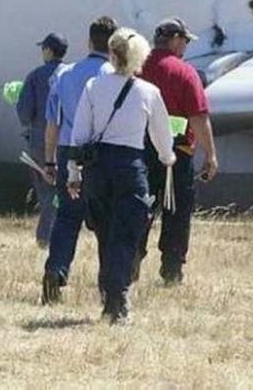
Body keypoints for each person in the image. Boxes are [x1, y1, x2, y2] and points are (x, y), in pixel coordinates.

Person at [69, 28, 175, 323]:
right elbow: (162, 137)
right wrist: (168, 158)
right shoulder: (148, 92)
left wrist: (73, 172)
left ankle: (109, 295)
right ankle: (119, 296)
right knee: (127, 233)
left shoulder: (93, 86)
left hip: (97, 168)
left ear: (112, 55)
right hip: (130, 166)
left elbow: (80, 135)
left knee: (104, 232)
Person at [41, 16, 118, 304]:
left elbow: (53, 123)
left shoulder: (65, 74)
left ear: (89, 41)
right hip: (104, 153)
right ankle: (108, 284)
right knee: (106, 221)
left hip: (68, 149)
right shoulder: (116, 75)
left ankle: (56, 269)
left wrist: (50, 161)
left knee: (67, 217)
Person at [137, 18, 219, 285]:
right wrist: (210, 155)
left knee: (139, 207)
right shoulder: (185, 73)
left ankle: (130, 261)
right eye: (184, 41)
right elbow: (198, 116)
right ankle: (172, 269)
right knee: (176, 211)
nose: (185, 46)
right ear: (174, 39)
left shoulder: (136, 69)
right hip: (177, 153)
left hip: (140, 152)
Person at [16, 32, 68, 248]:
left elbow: (24, 114)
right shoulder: (71, 74)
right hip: (69, 141)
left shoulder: (36, 76)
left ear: (48, 51)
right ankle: (63, 233)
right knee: (66, 189)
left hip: (40, 140)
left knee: (46, 190)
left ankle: (46, 237)